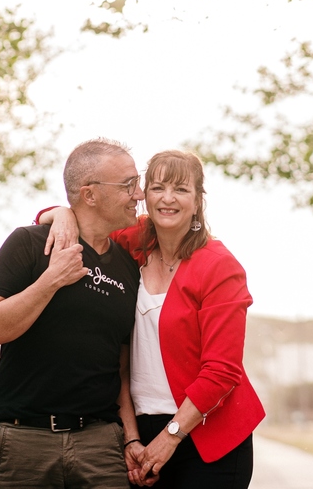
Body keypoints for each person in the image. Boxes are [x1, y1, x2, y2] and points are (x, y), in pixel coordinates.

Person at [39, 150, 264, 489]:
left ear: (198, 199)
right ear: (145, 194)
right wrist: (59, 214)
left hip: (207, 437)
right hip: (139, 431)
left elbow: (222, 371)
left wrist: (170, 436)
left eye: (181, 189)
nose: (168, 199)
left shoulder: (220, 267)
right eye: (158, 188)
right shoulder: (133, 242)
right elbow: (89, 221)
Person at [0, 138, 144, 489]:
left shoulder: (130, 268)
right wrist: (51, 280)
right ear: (90, 195)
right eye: (128, 184)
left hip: (100, 444)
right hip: (23, 441)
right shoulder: (28, 244)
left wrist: (130, 438)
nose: (139, 194)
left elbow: (122, 367)